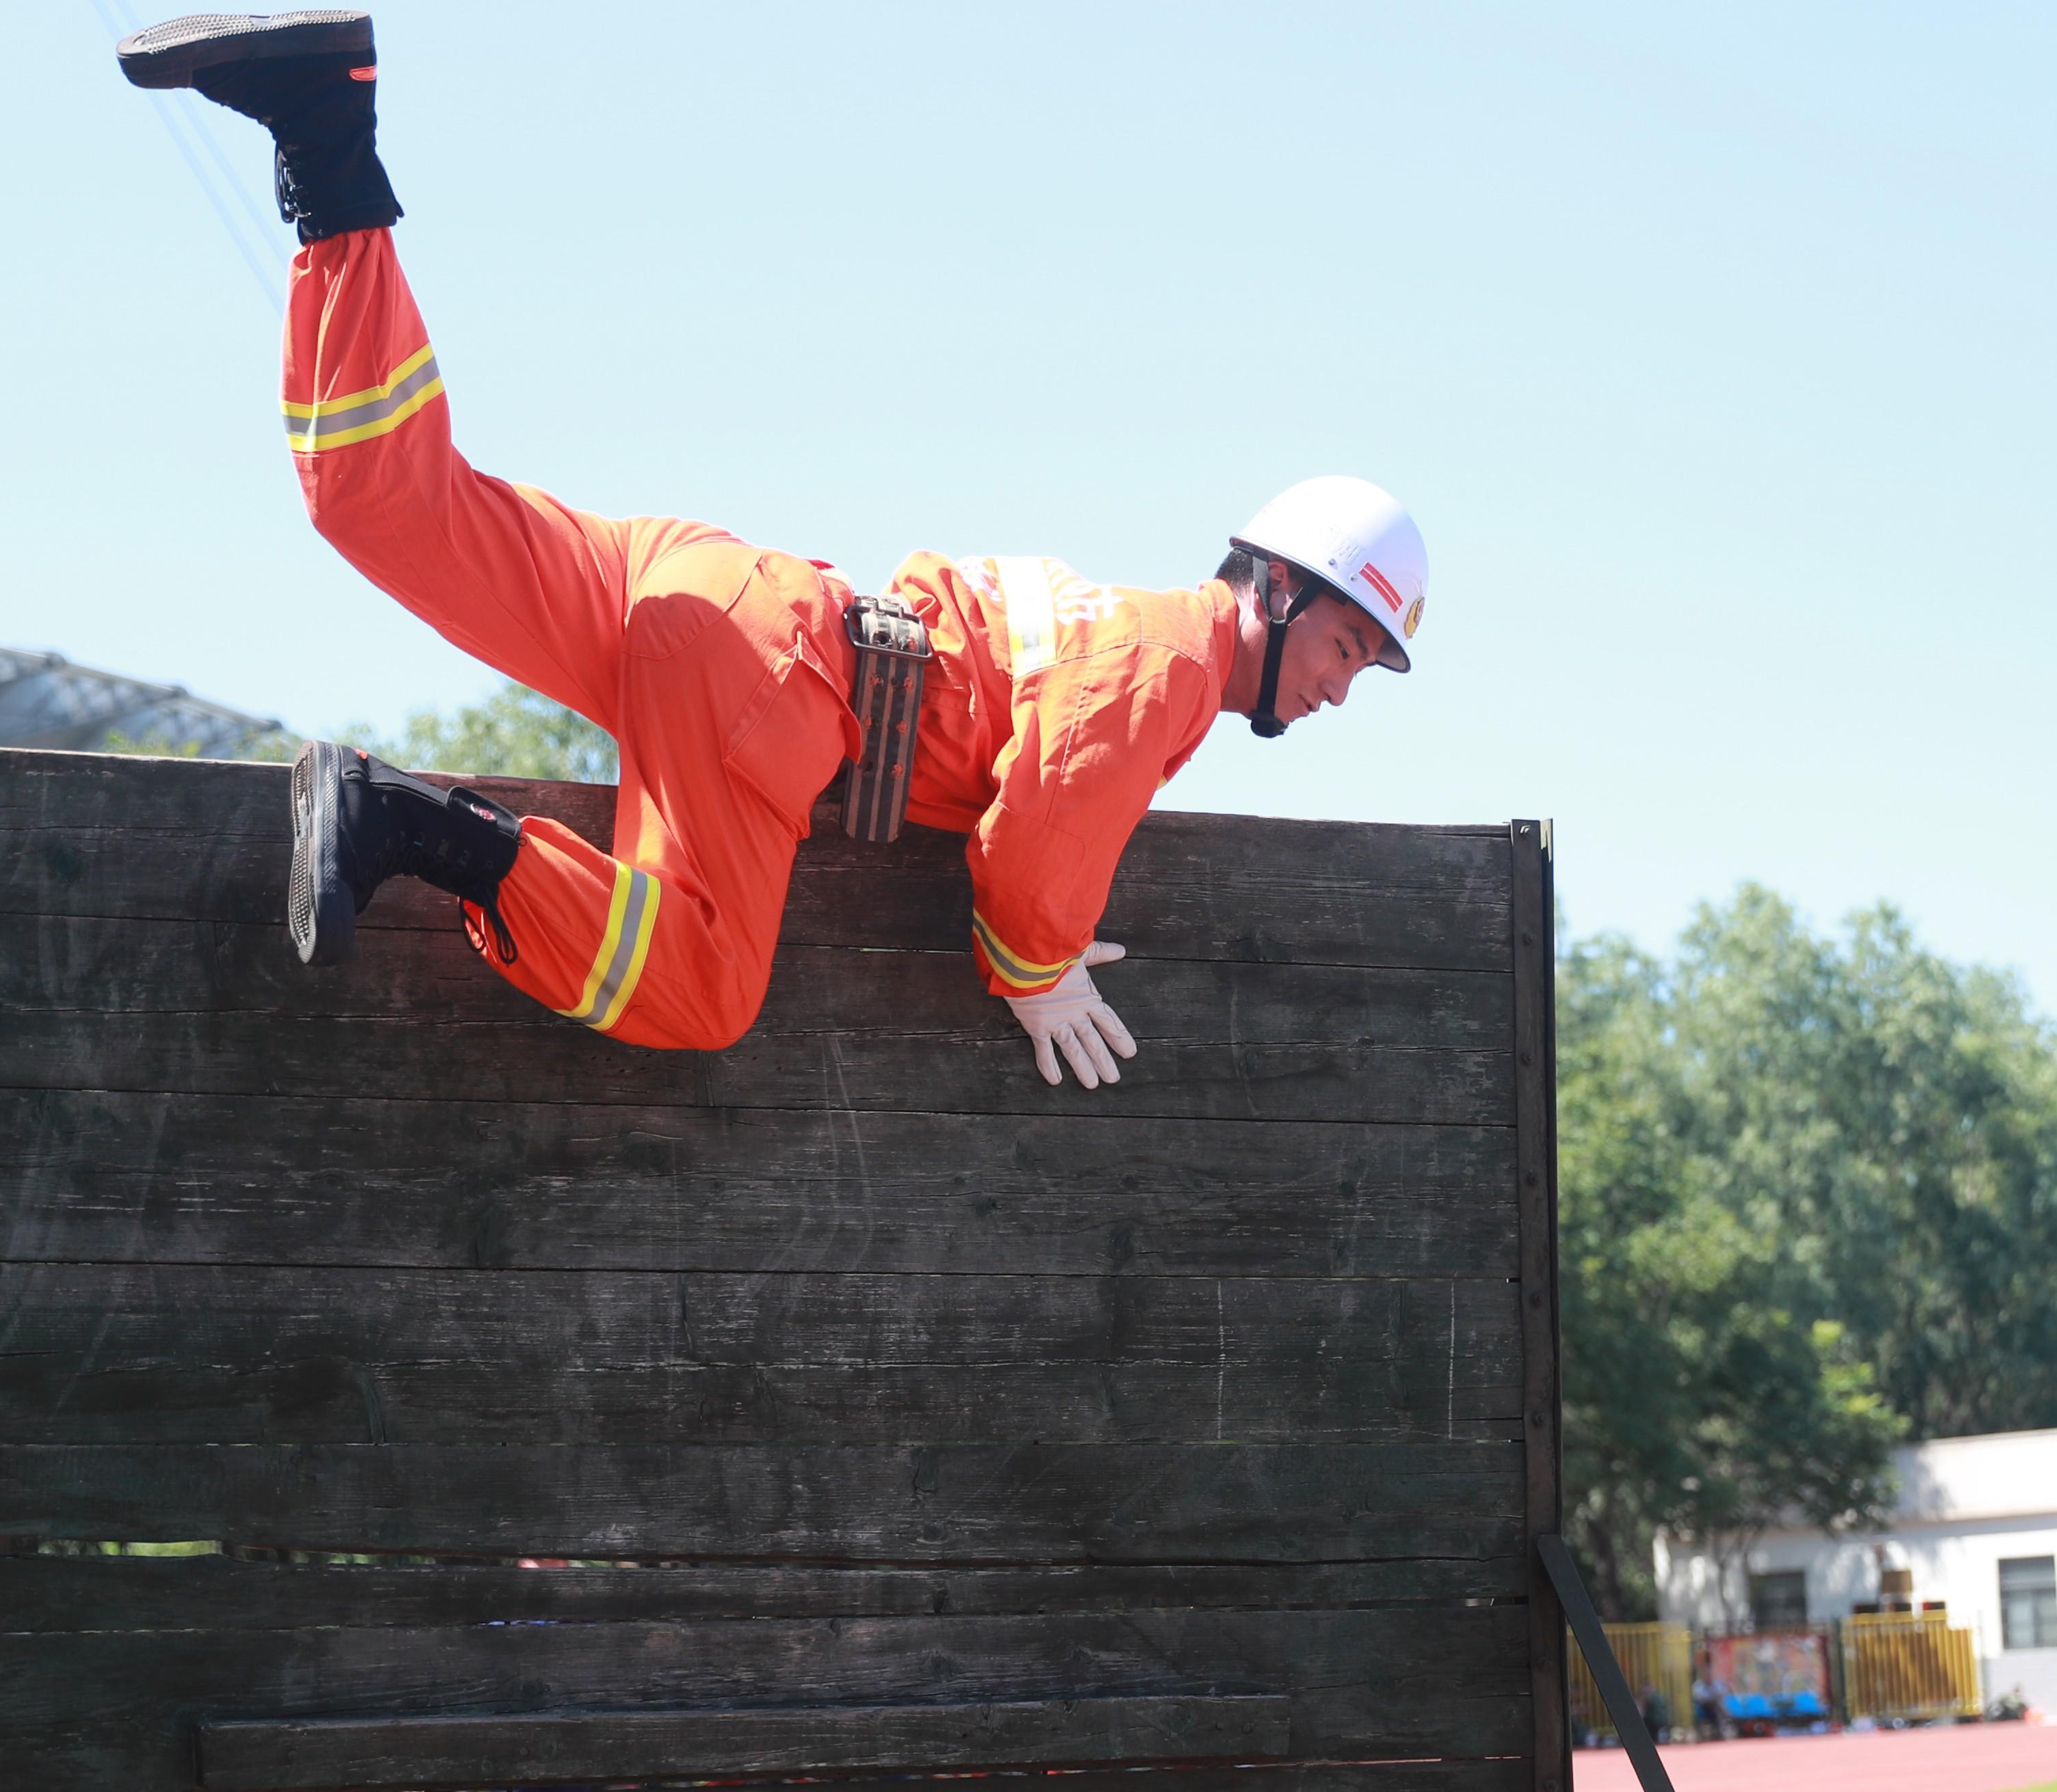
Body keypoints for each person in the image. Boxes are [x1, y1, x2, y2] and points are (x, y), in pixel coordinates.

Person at [116, 11, 1425, 1086]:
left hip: (708, 594)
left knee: (379, 499)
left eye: (1363, 667)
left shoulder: (1125, 631)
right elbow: (1034, 848)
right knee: (694, 989)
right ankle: (409, 824)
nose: (1338, 683)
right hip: (768, 675)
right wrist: (1039, 970)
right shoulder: (1169, 663)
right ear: (1272, 584)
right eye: (1344, 644)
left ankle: (327, 138)